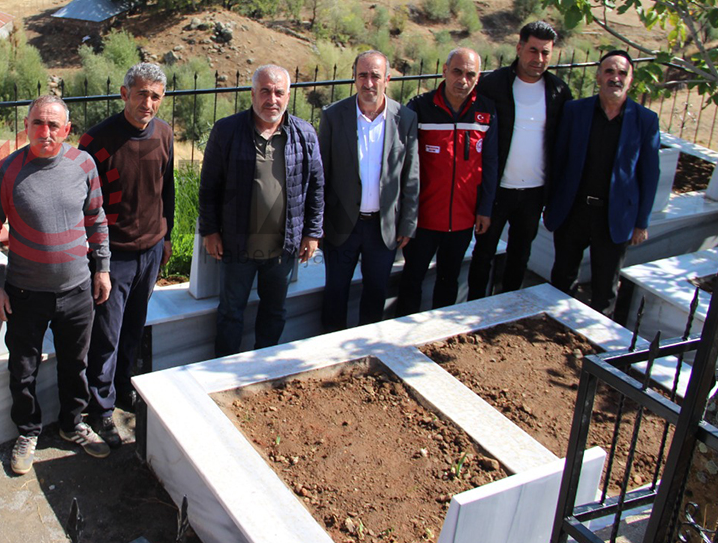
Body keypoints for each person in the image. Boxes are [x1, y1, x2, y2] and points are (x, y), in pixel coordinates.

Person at [0, 96, 113, 476]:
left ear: (66, 129)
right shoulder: (7, 171)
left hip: (77, 290)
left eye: (53, 125)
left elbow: (96, 217)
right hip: (25, 292)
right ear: (26, 125)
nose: (45, 131)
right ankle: (27, 432)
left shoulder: (83, 164)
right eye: (38, 123)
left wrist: (102, 269)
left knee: (76, 364)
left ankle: (72, 424)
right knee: (23, 370)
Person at [78, 63, 174, 446]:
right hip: (112, 256)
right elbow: (84, 206)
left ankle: (121, 391)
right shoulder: (97, 141)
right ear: (123, 94)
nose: (147, 103)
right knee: (106, 336)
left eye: (155, 96)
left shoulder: (164, 134)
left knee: (133, 330)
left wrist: (167, 237)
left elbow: (167, 189)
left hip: (150, 252)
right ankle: (100, 409)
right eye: (141, 94)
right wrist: (98, 261)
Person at [198, 64, 324, 356]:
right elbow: (209, 187)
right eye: (265, 91)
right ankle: (223, 372)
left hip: (284, 247)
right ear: (252, 93)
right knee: (231, 313)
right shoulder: (227, 131)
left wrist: (312, 233)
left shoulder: (304, 134)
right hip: (237, 245)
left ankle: (262, 369)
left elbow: (316, 187)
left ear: (288, 96)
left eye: (279, 92)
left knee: (275, 311)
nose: (272, 99)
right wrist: (210, 230)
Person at [545, 50, 660, 315]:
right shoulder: (575, 111)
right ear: (598, 76)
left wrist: (641, 222)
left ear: (630, 80)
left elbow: (649, 175)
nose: (615, 78)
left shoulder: (645, 120)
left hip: (615, 216)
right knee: (562, 278)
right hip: (573, 212)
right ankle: (554, 326)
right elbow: (558, 160)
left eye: (622, 73)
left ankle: (596, 345)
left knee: (605, 288)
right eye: (609, 71)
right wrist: (550, 204)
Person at [468, 21, 571, 299]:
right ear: (519, 48)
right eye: (533, 50)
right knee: (483, 253)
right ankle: (473, 310)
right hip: (497, 190)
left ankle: (508, 308)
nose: (538, 59)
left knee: (520, 254)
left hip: (535, 193)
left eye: (545, 53)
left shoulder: (559, 92)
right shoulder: (492, 85)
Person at [318, 50, 419, 329]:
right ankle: (328, 350)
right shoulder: (333, 116)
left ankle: (366, 350)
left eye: (375, 76)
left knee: (375, 295)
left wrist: (408, 223)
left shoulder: (405, 118)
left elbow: (411, 175)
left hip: (382, 228)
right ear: (354, 79)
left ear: (387, 79)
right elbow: (321, 175)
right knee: (335, 293)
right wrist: (318, 223)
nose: (369, 83)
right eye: (362, 75)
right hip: (341, 226)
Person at [396, 48, 498, 316]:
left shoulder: (486, 111)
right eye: (457, 71)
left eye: (470, 74)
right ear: (444, 70)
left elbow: (490, 163)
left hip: (463, 219)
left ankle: (439, 333)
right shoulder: (419, 108)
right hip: (423, 220)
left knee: (448, 280)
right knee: (412, 279)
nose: (462, 79)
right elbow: (402, 165)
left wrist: (485, 208)